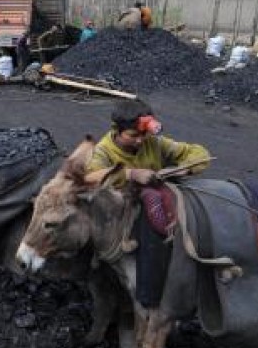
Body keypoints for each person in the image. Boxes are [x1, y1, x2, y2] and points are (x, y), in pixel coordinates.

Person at [87, 99, 212, 310]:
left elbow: (199, 153)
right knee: (151, 238)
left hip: (156, 199)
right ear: (116, 130)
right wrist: (130, 174)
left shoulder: (153, 142)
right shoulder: (103, 151)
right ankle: (149, 298)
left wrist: (184, 168)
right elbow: (91, 176)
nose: (140, 141)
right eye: (133, 136)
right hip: (120, 211)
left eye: (143, 135)